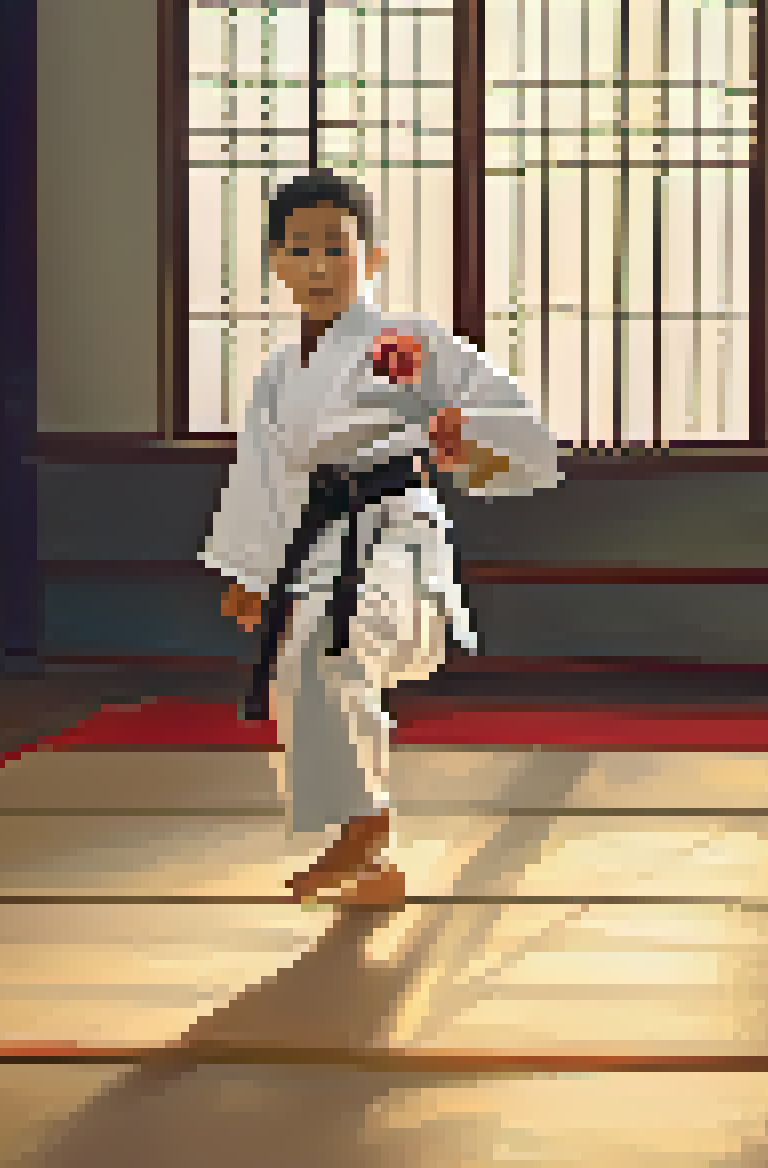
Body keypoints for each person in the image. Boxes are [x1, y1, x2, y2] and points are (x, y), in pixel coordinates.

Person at [202, 171, 560, 907]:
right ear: (275, 262)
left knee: (333, 649)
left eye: (337, 248)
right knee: (303, 663)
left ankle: (362, 827)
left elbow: (511, 414)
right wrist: (251, 571)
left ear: (373, 257)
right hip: (318, 542)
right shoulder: (277, 375)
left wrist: (470, 434)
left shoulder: (403, 343)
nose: (319, 266)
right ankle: (371, 856)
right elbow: (262, 474)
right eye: (300, 250)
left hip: (395, 534)